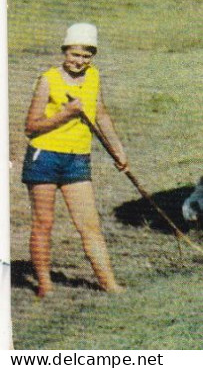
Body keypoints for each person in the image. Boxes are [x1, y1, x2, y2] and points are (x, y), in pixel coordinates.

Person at [23, 23, 128, 296]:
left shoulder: (94, 77)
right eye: (75, 54)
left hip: (77, 159)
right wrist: (65, 114)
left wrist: (118, 150)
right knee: (43, 223)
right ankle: (45, 285)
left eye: (86, 56)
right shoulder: (48, 79)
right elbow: (31, 126)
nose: (80, 61)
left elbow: (101, 114)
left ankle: (109, 284)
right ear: (65, 51)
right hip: (43, 157)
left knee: (89, 224)